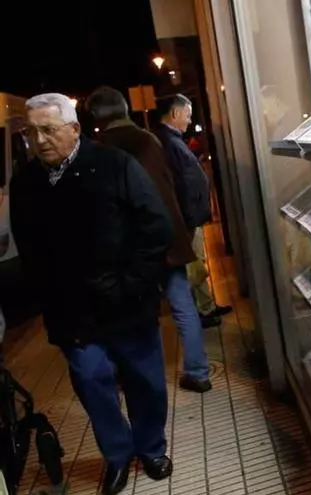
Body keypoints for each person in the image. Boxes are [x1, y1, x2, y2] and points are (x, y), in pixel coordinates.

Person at [10, 93, 173, 494]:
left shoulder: (114, 165)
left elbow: (155, 227)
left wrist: (131, 283)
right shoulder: (26, 182)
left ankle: (151, 448)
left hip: (127, 303)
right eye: (31, 132)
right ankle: (117, 456)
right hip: (73, 313)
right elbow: (28, 248)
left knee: (145, 382)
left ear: (74, 129)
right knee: (92, 385)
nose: (40, 140)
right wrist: (47, 298)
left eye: (48, 129)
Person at [86, 87, 213, 393]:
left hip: (131, 250)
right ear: (124, 109)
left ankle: (138, 377)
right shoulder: (149, 140)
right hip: (168, 237)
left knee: (137, 314)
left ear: (96, 118)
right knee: (183, 305)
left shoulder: (100, 151)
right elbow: (172, 185)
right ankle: (198, 372)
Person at [153, 94, 231, 326]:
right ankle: (199, 313)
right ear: (175, 113)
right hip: (187, 221)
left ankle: (206, 306)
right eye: (187, 115)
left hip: (190, 218)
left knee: (198, 264)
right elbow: (179, 186)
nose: (189, 121)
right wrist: (188, 221)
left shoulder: (171, 140)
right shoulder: (169, 143)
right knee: (194, 267)